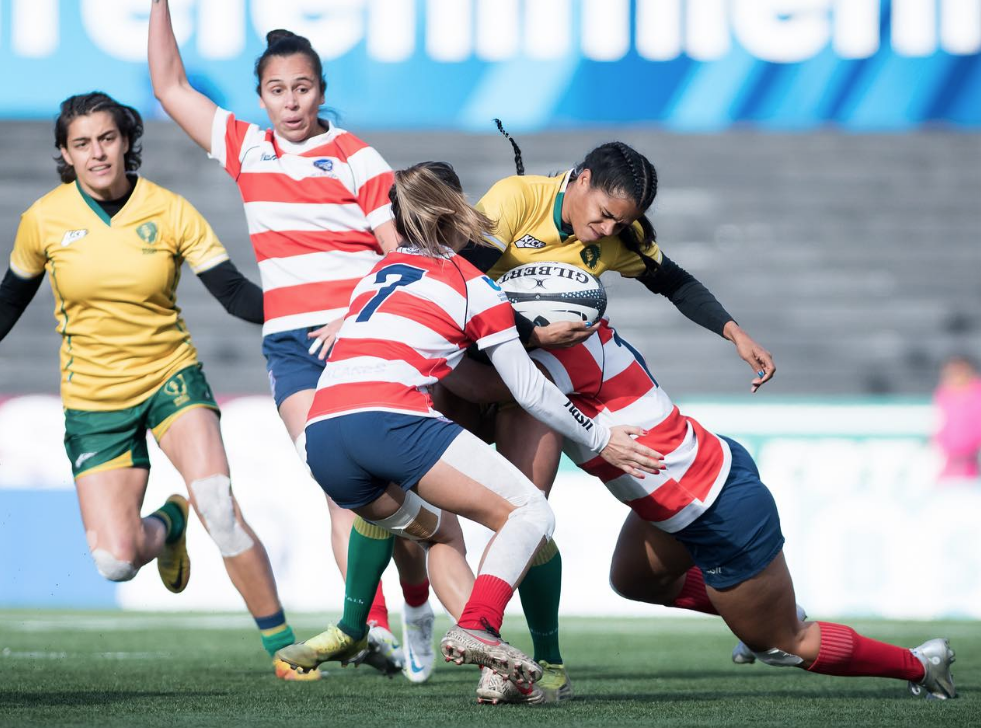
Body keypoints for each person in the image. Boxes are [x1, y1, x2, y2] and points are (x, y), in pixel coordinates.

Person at [0, 92, 311, 680]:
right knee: (115, 561)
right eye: (82, 143)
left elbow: (232, 292)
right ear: (65, 153)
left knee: (219, 505)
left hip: (170, 377)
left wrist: (302, 309)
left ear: (127, 141)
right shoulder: (45, 218)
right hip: (94, 400)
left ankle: (284, 649)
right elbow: (9, 298)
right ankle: (169, 525)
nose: (97, 152)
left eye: (106, 138)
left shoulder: (171, 209)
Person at [273, 161, 665, 691]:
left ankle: (359, 628)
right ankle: (481, 627)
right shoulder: (471, 282)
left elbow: (468, 380)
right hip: (391, 422)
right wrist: (598, 436)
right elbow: (527, 389)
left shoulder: (378, 275)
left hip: (321, 437)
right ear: (459, 212)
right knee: (530, 511)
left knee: (439, 534)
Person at [147, 0, 433, 679]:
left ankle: (418, 602)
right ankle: (374, 628)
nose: (291, 101)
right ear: (261, 97)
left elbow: (400, 258)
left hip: (366, 344)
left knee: (394, 496)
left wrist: (356, 315)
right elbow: (169, 86)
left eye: (302, 87)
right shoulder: (248, 148)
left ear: (321, 92)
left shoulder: (356, 156)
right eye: (277, 90)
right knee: (342, 487)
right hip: (293, 349)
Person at [441, 135, 776, 701]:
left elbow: (675, 282)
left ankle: (535, 659)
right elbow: (458, 291)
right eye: (603, 217)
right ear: (581, 179)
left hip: (533, 390)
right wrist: (531, 333)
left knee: (527, 513)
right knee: (412, 506)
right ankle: (371, 624)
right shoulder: (515, 199)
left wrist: (734, 332)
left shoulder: (625, 235)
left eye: (622, 224)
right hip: (469, 365)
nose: (608, 232)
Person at [475, 314, 957, 703]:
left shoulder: (556, 361)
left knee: (785, 642)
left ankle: (920, 663)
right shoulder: (586, 334)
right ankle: (762, 611)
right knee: (634, 579)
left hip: (715, 509)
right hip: (695, 485)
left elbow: (480, 386)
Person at [933, 355, 981, 486]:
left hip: (973, 461)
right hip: (950, 462)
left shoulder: (977, 394)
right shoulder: (943, 395)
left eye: (959, 372)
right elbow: (940, 424)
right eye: (950, 374)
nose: (954, 377)